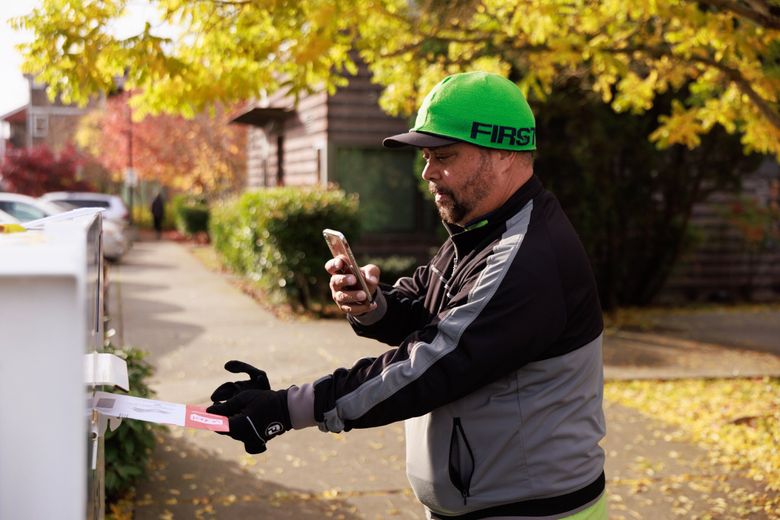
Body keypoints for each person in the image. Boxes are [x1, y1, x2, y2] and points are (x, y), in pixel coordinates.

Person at [207, 72, 607, 519]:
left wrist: (287, 407)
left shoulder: (528, 255)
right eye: (425, 157)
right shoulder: (480, 233)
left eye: (444, 156)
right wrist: (373, 303)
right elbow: (422, 307)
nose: (428, 172)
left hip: (533, 511)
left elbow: (428, 365)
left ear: (503, 155)